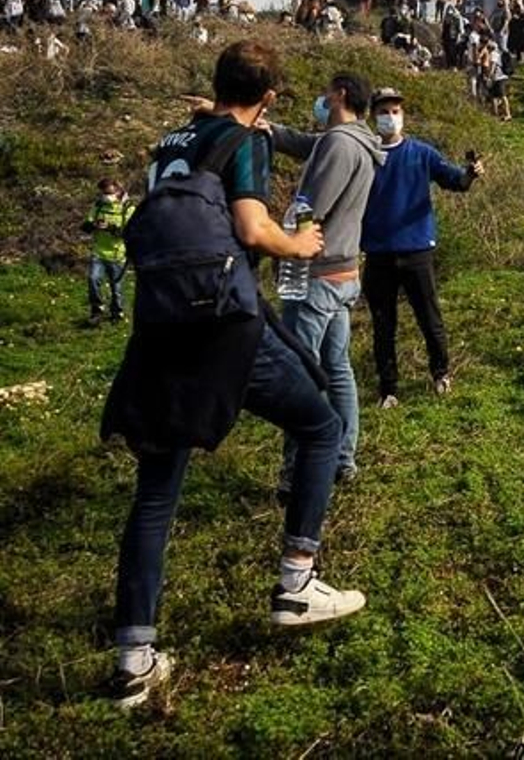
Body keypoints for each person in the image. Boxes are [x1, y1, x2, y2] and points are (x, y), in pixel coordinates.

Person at [101, 41, 365, 710]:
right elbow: (250, 227)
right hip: (223, 322)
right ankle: (296, 582)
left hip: (161, 320)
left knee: (156, 490)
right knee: (321, 426)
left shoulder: (171, 141)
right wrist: (295, 243)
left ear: (216, 84)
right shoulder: (244, 141)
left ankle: (133, 658)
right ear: (269, 96)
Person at [266, 74, 385, 489]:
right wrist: (267, 127)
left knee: (300, 371)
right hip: (344, 271)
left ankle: (298, 469)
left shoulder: (338, 144)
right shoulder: (357, 141)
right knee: (336, 368)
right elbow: (305, 143)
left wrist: (280, 246)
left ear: (340, 95)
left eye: (327, 92)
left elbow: (309, 211)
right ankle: (342, 459)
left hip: (317, 273)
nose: (322, 98)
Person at [362, 88, 482, 409]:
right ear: (373, 116)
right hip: (377, 254)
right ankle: (388, 389)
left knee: (430, 318)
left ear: (403, 115)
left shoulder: (421, 153)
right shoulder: (364, 155)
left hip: (416, 251)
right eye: (384, 111)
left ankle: (441, 373)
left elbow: (455, 181)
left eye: (395, 111)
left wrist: (471, 173)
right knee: (383, 325)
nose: (390, 117)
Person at [84, 177, 135, 324]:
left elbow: (129, 232)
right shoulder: (99, 205)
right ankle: (97, 311)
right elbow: (86, 226)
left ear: (118, 191)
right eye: (103, 193)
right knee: (93, 280)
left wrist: (110, 228)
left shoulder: (128, 208)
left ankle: (117, 313)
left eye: (108, 193)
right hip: (98, 252)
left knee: (116, 287)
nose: (105, 196)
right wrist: (94, 225)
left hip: (117, 254)